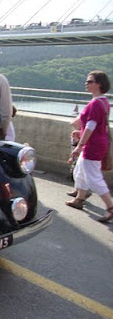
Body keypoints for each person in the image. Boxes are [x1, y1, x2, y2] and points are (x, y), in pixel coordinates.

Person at [65, 70, 113, 222]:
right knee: (80, 170)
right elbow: (95, 126)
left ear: (99, 84)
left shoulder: (95, 104)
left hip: (93, 146)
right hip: (97, 142)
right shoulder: (103, 101)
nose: (86, 83)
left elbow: (91, 126)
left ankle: (110, 207)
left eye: (90, 81)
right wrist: (80, 132)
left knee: (93, 178)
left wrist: (79, 145)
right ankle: (79, 199)